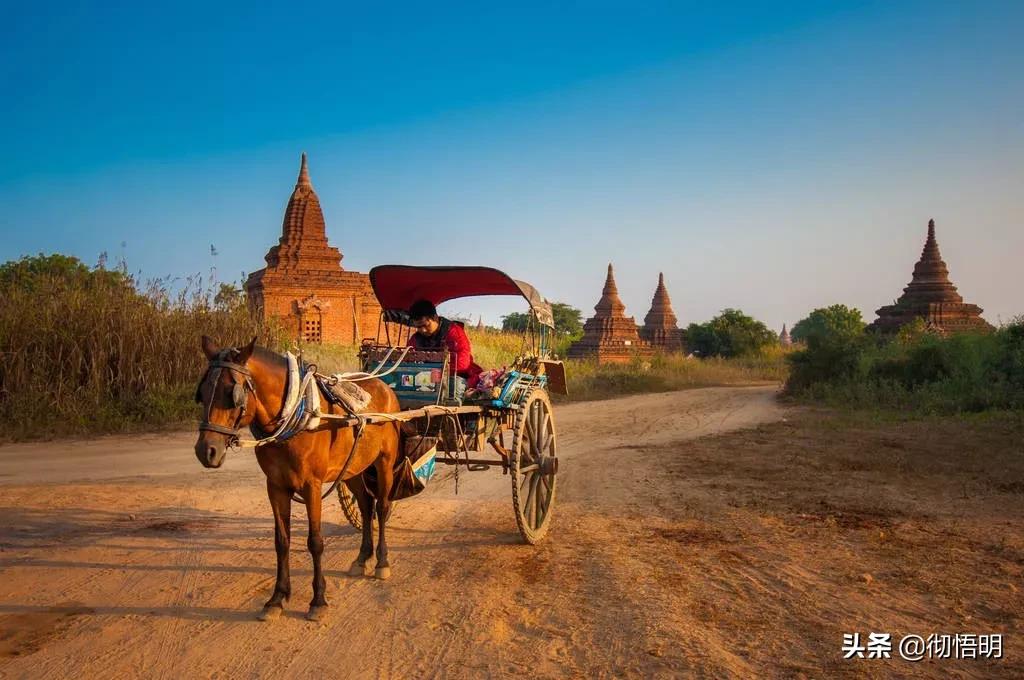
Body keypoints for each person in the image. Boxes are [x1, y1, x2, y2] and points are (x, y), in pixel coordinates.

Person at [407, 299, 482, 388]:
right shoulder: (416, 338)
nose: (423, 330)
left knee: (455, 385)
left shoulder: (454, 332)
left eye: (426, 325)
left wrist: (431, 374)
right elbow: (407, 359)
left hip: (455, 376)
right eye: (419, 327)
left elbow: (462, 363)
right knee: (405, 381)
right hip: (425, 377)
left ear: (435, 317)